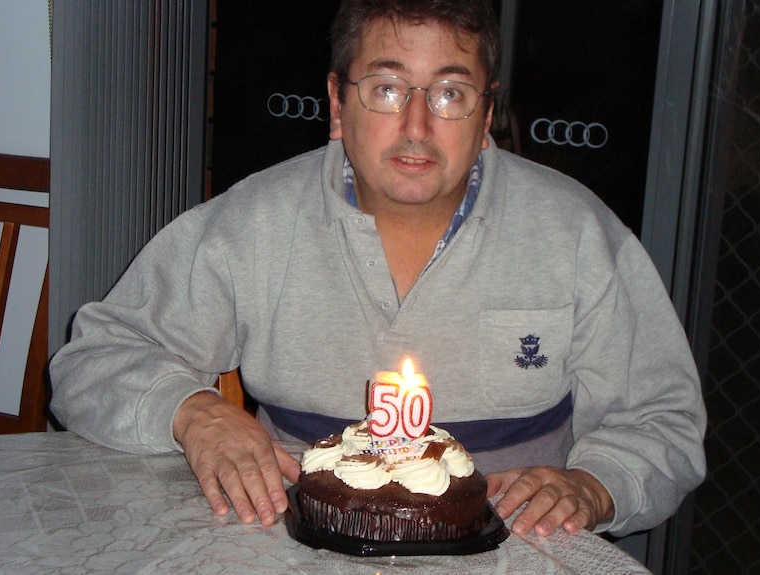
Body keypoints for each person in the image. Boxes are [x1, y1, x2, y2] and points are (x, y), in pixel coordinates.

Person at [49, 0, 706, 539]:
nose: (416, 126)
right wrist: (193, 412)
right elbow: (93, 361)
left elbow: (663, 419)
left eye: (450, 92)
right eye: (387, 88)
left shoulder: (577, 233)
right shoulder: (254, 222)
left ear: (486, 115)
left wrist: (593, 484)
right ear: (337, 105)